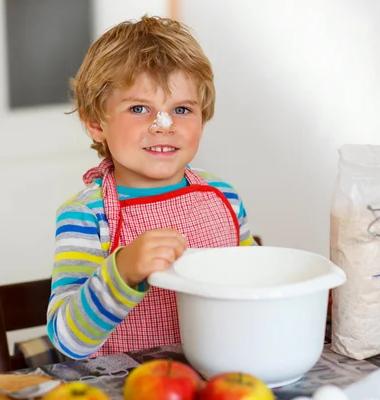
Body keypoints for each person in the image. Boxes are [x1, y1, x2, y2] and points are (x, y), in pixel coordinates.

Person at [47, 15, 258, 360]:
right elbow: (69, 341)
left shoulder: (225, 198)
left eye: (181, 109)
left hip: (223, 377)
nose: (164, 125)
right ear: (96, 124)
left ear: (203, 118)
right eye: (140, 108)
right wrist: (122, 271)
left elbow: (255, 288)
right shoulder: (86, 215)